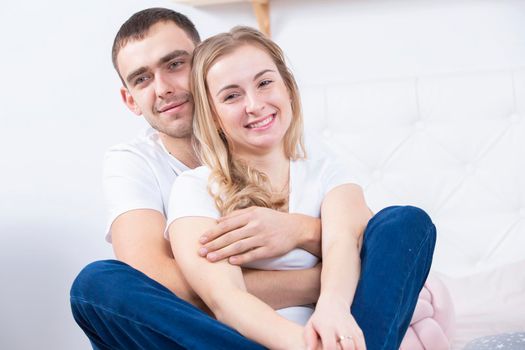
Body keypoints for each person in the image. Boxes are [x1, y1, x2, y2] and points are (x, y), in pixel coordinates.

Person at [70, 7, 436, 350]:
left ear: (200, 65)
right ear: (130, 98)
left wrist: (298, 233)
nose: (163, 87)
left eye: (175, 64)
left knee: (402, 223)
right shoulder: (174, 178)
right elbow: (170, 286)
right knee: (96, 285)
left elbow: (357, 235)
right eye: (142, 78)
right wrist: (320, 284)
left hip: (328, 320)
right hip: (213, 330)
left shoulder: (306, 153)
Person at [166, 26, 435, 350]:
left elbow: (343, 242)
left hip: (349, 332)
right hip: (258, 342)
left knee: (405, 222)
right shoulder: (195, 188)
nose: (254, 104)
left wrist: (332, 309)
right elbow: (226, 299)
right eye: (232, 95)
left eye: (265, 83)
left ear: (288, 88)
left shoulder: (326, 168)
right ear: (213, 115)